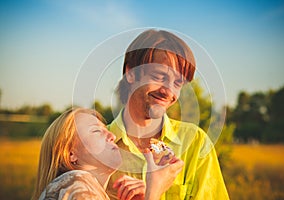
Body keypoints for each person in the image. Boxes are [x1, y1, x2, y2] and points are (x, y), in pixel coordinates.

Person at [106, 29, 230, 199]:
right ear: (131, 73)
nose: (168, 91)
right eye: (159, 77)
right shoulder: (95, 146)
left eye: (178, 83)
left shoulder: (196, 143)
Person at [32, 107, 184, 200]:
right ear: (70, 153)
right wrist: (154, 190)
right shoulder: (74, 183)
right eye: (96, 131)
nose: (111, 136)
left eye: (106, 129)